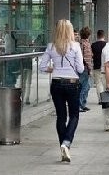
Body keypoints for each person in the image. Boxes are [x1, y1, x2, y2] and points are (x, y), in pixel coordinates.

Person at [39, 19, 84, 162]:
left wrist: (54, 68)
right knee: (74, 115)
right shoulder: (76, 46)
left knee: (61, 117)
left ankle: (63, 147)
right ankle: (67, 142)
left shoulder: (51, 46)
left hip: (56, 83)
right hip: (72, 83)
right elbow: (81, 69)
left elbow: (42, 67)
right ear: (70, 31)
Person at [78, 27, 93, 112]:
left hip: (85, 67)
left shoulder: (84, 43)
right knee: (83, 87)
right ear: (89, 35)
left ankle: (83, 104)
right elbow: (86, 58)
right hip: (85, 68)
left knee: (86, 87)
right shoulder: (84, 44)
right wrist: (89, 69)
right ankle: (80, 105)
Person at [91, 30, 106, 104]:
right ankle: (106, 98)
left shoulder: (93, 45)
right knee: (105, 83)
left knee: (98, 83)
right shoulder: (107, 45)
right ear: (104, 36)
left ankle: (100, 99)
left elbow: (91, 55)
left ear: (97, 36)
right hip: (105, 66)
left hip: (96, 66)